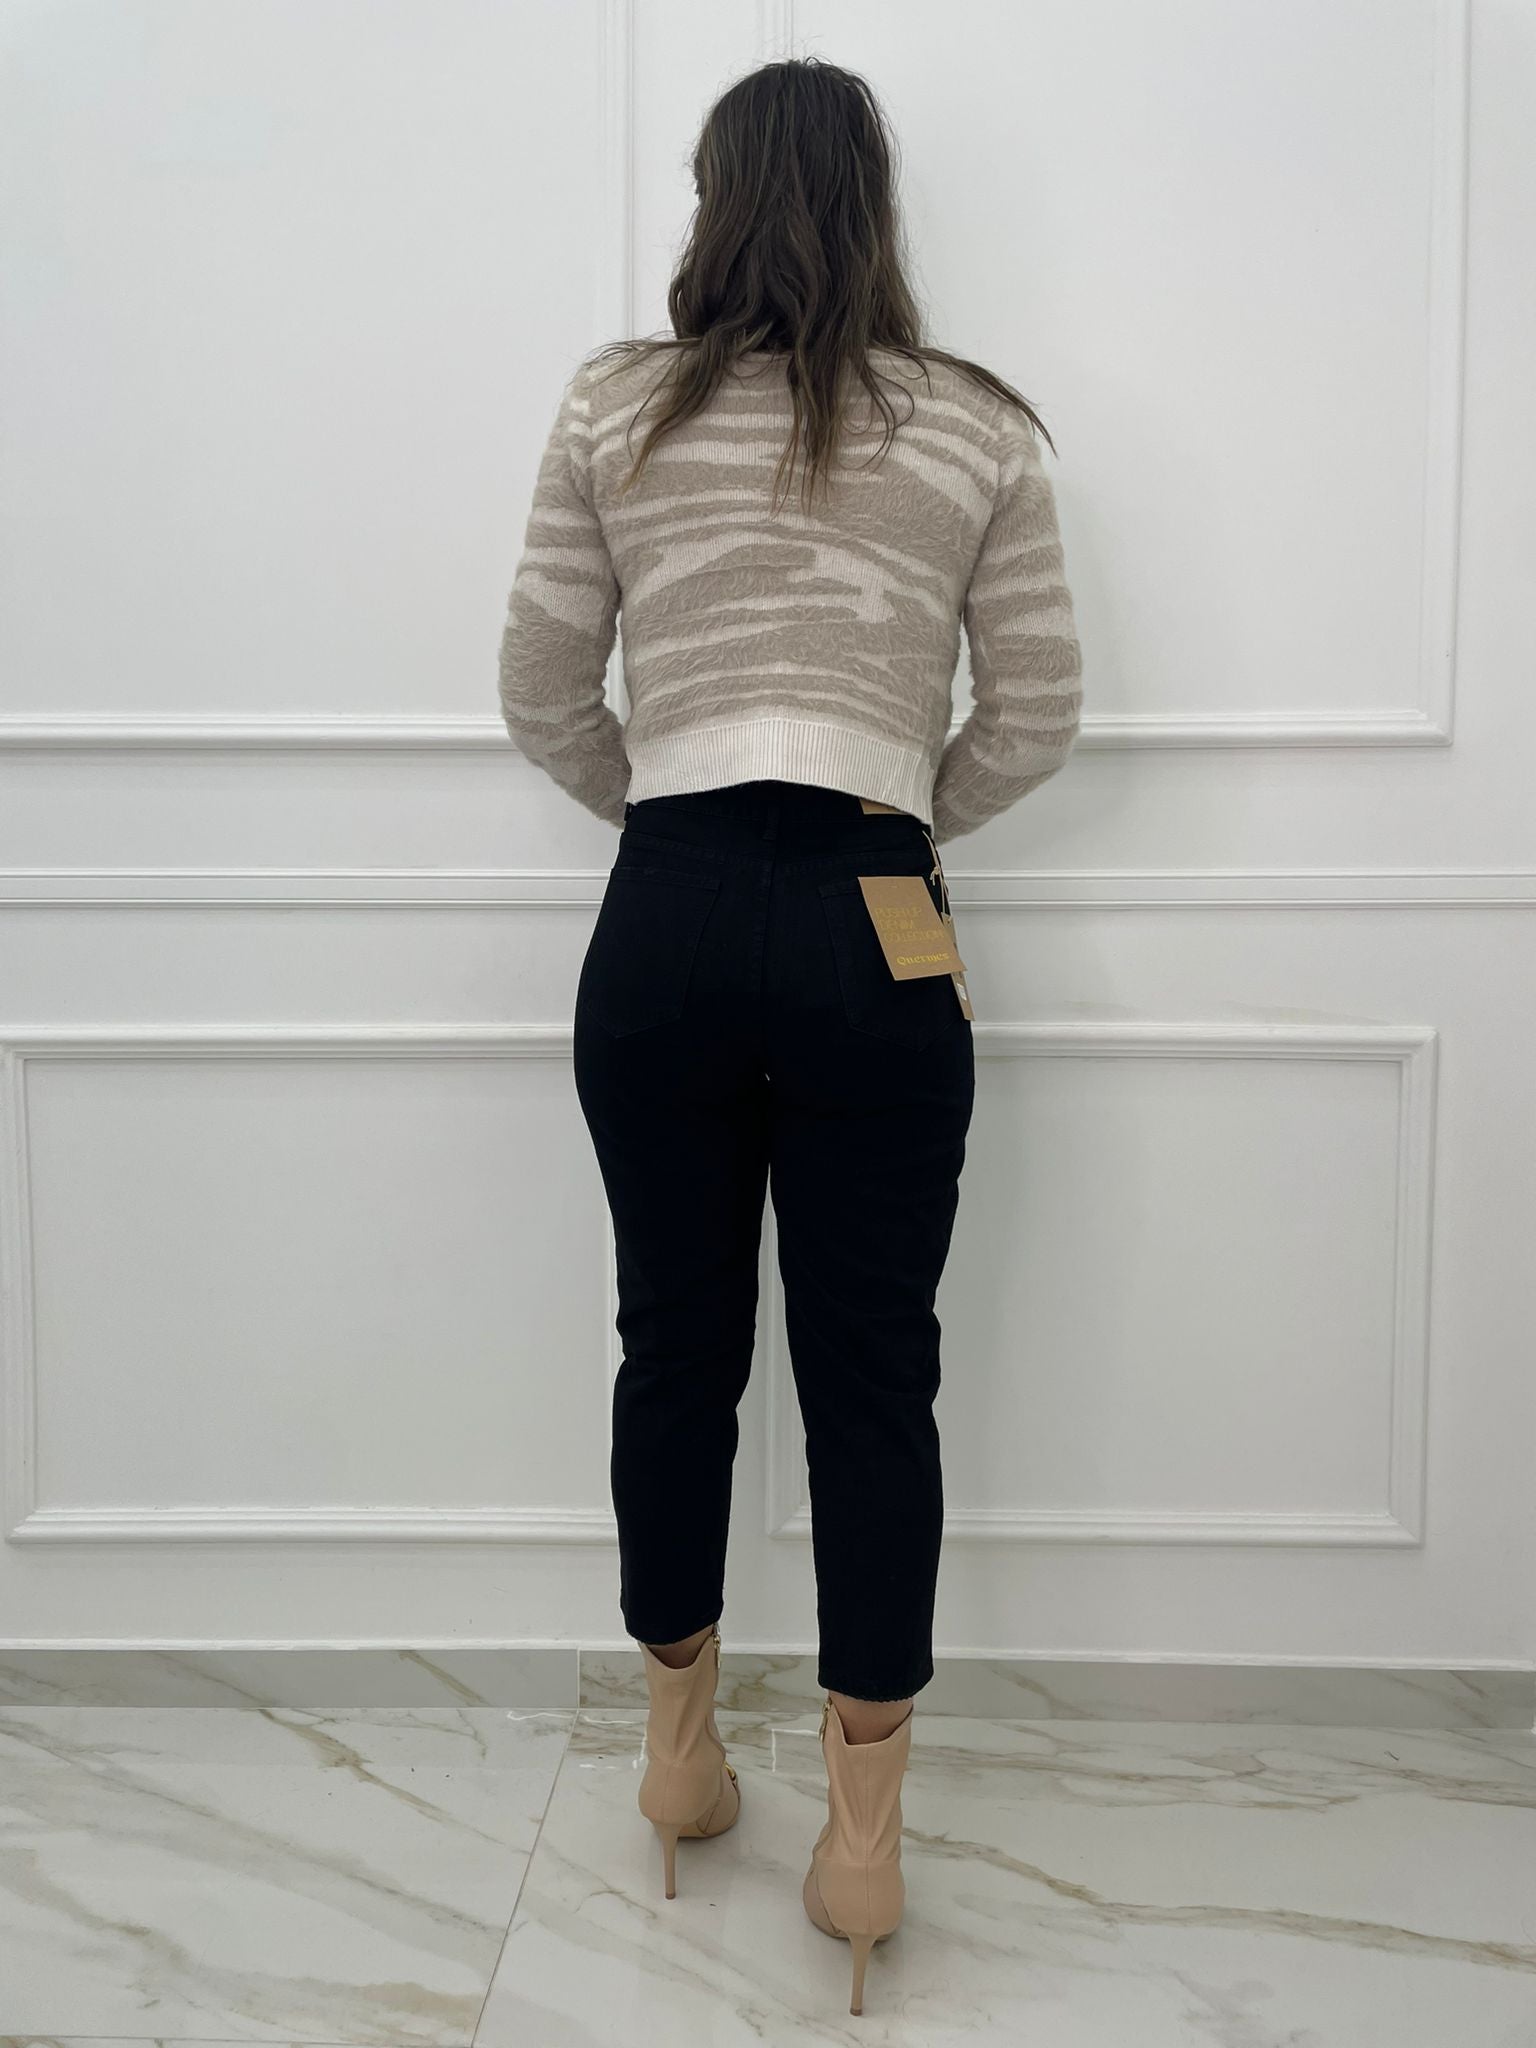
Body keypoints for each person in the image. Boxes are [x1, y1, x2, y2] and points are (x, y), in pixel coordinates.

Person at [497, 54, 1082, 2018]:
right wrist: (889, 817)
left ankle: (680, 1761)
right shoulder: (975, 426)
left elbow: (537, 686)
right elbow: (1041, 712)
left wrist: (676, 811)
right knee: (875, 1381)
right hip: (873, 909)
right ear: (876, 203)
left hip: (663, 904)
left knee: (674, 1346)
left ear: (718, 198)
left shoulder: (615, 408)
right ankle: (864, 1846)